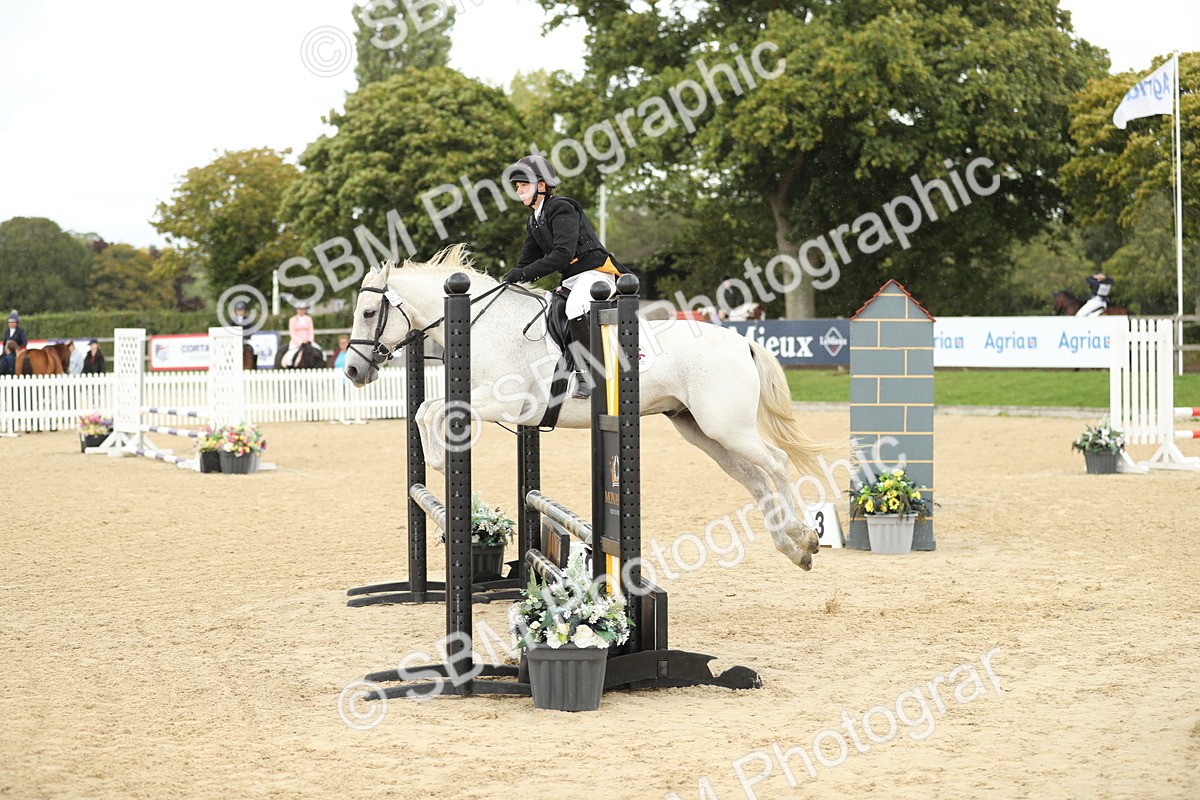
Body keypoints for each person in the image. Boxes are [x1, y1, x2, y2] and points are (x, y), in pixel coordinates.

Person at [500, 154, 625, 399]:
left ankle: (588, 374)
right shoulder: (534, 220)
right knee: (548, 311)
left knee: (575, 307)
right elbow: (527, 259)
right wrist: (508, 280)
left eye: (524, 185)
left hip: (596, 272)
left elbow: (562, 254)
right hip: (572, 279)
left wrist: (524, 273)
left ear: (542, 186)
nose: (519, 190)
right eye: (517, 186)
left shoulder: (561, 207)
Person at [282, 302, 317, 367]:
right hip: (296, 343)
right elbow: (292, 333)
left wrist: (310, 340)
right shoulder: (292, 320)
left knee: (319, 351)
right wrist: (300, 342)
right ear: (297, 310)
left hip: (308, 342)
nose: (301, 311)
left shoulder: (308, 319)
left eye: (302, 309)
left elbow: (311, 331)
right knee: (289, 357)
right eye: (299, 309)